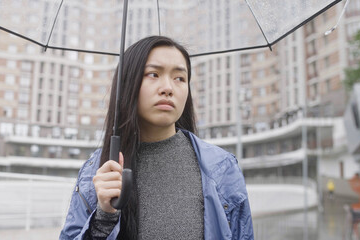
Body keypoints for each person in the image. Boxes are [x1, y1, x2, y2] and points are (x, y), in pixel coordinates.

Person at [59, 36, 253, 240]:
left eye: (180, 78)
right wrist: (103, 218)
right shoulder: (97, 173)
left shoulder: (222, 168)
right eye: (153, 74)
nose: (168, 88)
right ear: (128, 84)